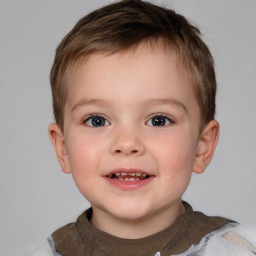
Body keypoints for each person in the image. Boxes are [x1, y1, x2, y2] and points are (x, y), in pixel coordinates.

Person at [31, 0, 256, 255]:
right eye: (97, 120)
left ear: (201, 147)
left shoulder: (236, 250)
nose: (127, 143)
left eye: (158, 120)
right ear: (63, 149)